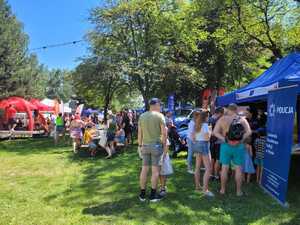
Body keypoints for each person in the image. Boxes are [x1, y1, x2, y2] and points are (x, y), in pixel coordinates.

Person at [213, 103, 251, 196]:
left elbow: (214, 132)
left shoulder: (222, 119)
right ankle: (238, 191)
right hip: (239, 146)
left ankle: (222, 190)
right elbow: (249, 132)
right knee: (238, 168)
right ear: (236, 110)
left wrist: (224, 139)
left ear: (228, 110)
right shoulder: (242, 119)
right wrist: (240, 140)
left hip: (225, 145)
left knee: (224, 168)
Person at [138, 98, 167, 202]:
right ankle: (153, 195)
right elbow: (164, 133)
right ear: (155, 105)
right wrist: (164, 146)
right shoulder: (160, 116)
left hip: (145, 146)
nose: (160, 107)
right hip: (156, 146)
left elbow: (140, 133)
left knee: (144, 170)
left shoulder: (142, 116)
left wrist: (139, 145)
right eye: (160, 104)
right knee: (155, 172)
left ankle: (142, 195)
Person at [191, 110, 214, 197]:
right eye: (208, 116)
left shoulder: (196, 124)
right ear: (206, 117)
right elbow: (207, 138)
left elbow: (193, 137)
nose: (209, 118)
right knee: (208, 168)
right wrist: (210, 131)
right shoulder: (204, 125)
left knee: (197, 167)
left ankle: (197, 186)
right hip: (203, 144)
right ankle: (205, 190)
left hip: (196, 144)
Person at [209, 107, 224, 180]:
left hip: (212, 141)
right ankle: (216, 175)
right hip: (218, 141)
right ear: (220, 113)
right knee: (217, 160)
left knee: (212, 159)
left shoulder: (211, 118)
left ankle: (211, 175)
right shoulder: (220, 120)